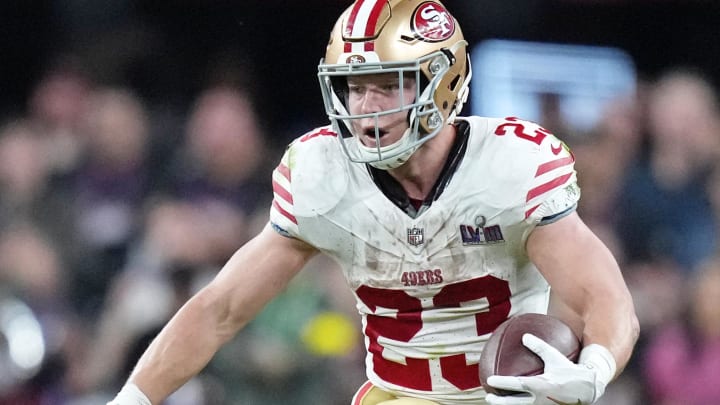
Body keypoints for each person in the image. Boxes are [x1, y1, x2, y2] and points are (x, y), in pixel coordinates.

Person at [108, 1, 639, 404]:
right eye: (354, 88)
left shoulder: (509, 168)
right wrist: (132, 399)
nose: (366, 106)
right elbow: (219, 308)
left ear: (444, 82)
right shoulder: (323, 174)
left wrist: (592, 368)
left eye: (387, 85)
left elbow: (606, 299)